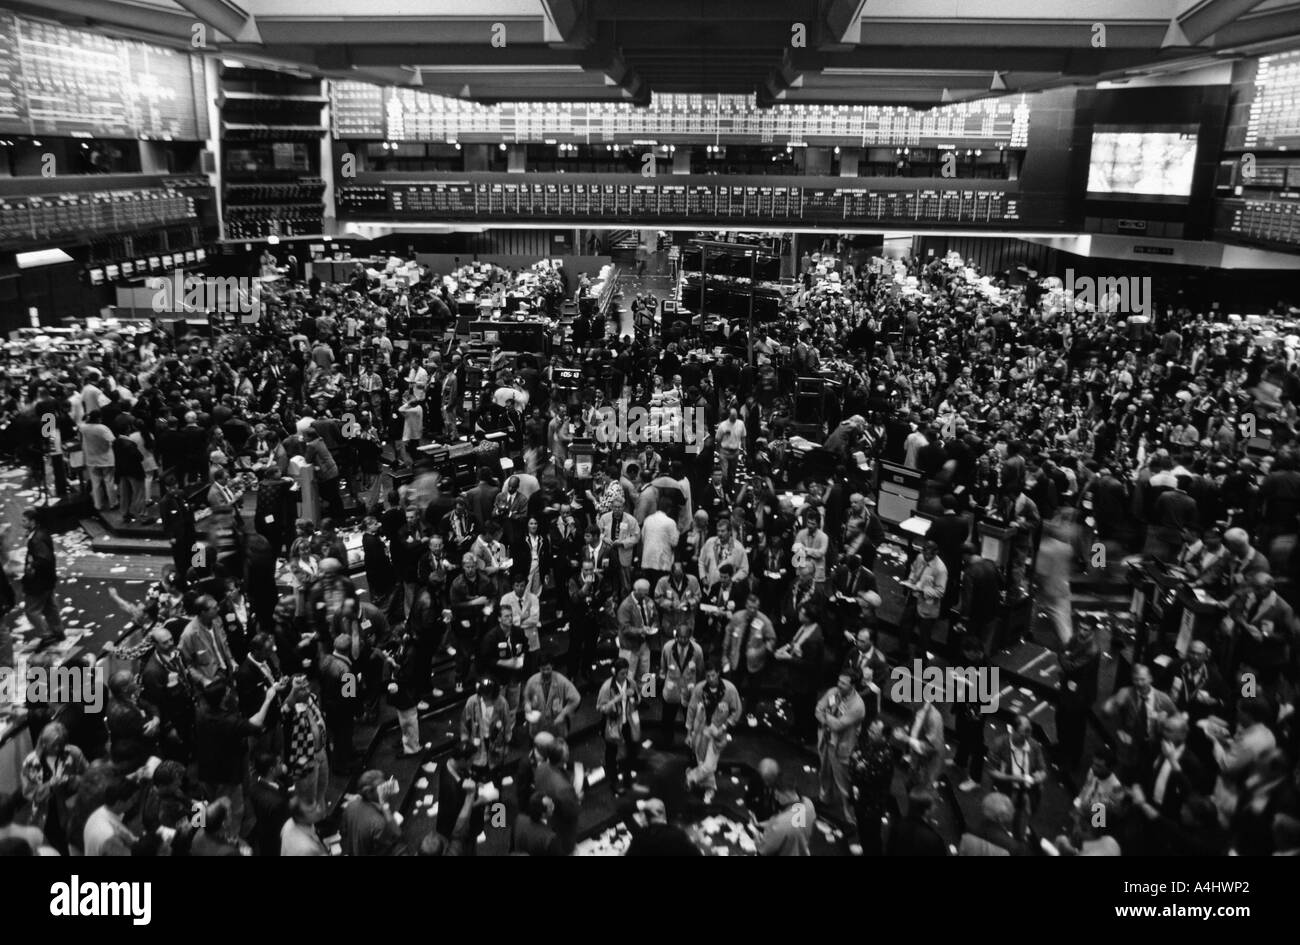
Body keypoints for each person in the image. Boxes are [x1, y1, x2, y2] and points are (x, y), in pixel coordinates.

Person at [814, 672, 865, 830]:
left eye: (843, 683)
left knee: (843, 783)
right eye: (839, 681)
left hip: (842, 747)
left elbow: (838, 726)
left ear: (853, 685)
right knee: (824, 772)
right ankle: (825, 798)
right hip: (826, 740)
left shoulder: (857, 706)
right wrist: (827, 718)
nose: (839, 685)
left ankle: (851, 818)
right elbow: (818, 709)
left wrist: (826, 717)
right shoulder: (833, 692)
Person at [597, 659, 641, 795]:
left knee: (632, 748)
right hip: (613, 724)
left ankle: (627, 777)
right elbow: (600, 708)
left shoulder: (631, 683)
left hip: (628, 721)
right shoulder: (606, 687)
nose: (625, 676)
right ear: (615, 673)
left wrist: (634, 695)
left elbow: (639, 699)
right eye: (622, 673)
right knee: (611, 753)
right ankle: (614, 782)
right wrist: (615, 700)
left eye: (626, 673)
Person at [19, 508, 61, 650]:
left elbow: (44, 559)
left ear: (33, 521)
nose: (22, 523)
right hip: (47, 579)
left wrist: (32, 565)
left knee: (31, 610)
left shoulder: (37, 539)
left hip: (39, 581)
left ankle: (46, 635)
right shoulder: (39, 533)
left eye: (25, 520)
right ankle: (57, 631)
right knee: (49, 606)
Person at [900, 540, 947, 661]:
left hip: (927, 605)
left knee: (924, 636)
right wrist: (910, 581)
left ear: (935, 553)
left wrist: (922, 590)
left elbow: (940, 592)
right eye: (925, 553)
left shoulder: (941, 569)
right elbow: (913, 569)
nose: (926, 556)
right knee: (905, 625)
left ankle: (920, 662)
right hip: (913, 598)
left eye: (929, 555)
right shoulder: (920, 557)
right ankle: (902, 653)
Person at [341, 770, 407, 856]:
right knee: (401, 847)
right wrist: (385, 804)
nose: (386, 789)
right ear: (369, 793)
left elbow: (344, 831)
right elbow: (397, 834)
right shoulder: (379, 823)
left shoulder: (351, 805)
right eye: (382, 788)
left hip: (354, 851)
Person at [521, 656, 580, 738]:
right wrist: (527, 704)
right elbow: (526, 696)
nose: (545, 672)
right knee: (538, 744)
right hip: (538, 724)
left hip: (556, 723)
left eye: (548, 669)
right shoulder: (532, 681)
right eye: (543, 669)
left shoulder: (562, 681)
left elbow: (576, 699)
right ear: (539, 668)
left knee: (556, 747)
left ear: (552, 666)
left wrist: (563, 714)